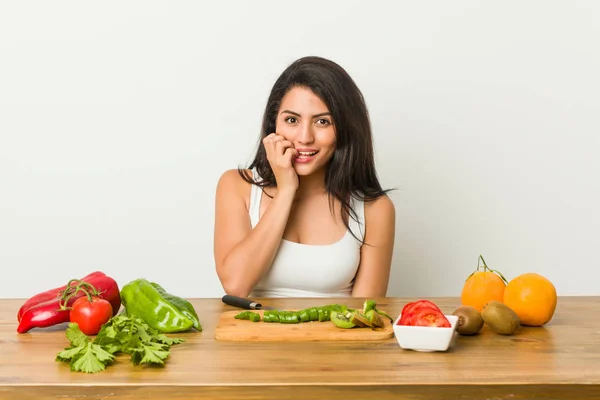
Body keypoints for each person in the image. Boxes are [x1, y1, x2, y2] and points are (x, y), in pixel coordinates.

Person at [214, 56, 395, 298]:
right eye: (292, 120)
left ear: (344, 129)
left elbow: (366, 316)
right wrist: (287, 189)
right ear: (273, 125)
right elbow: (236, 285)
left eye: (322, 121)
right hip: (256, 335)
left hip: (337, 336)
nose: (304, 137)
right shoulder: (237, 186)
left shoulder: (375, 209)